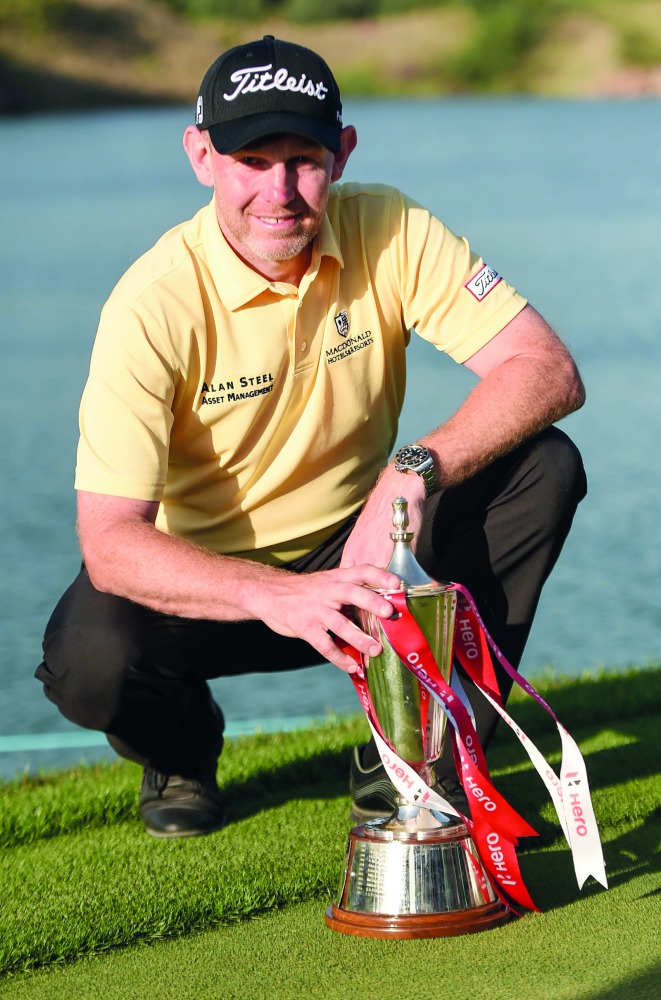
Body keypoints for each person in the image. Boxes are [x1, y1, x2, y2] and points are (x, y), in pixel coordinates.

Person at [36, 35, 587, 839]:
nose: (280, 190)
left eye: (303, 159)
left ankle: (416, 739)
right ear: (201, 157)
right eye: (252, 161)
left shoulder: (390, 227)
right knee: (88, 665)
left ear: (343, 152)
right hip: (211, 585)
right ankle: (184, 748)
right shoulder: (149, 305)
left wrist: (409, 472)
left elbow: (544, 369)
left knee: (543, 466)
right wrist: (273, 594)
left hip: (364, 554)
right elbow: (111, 541)